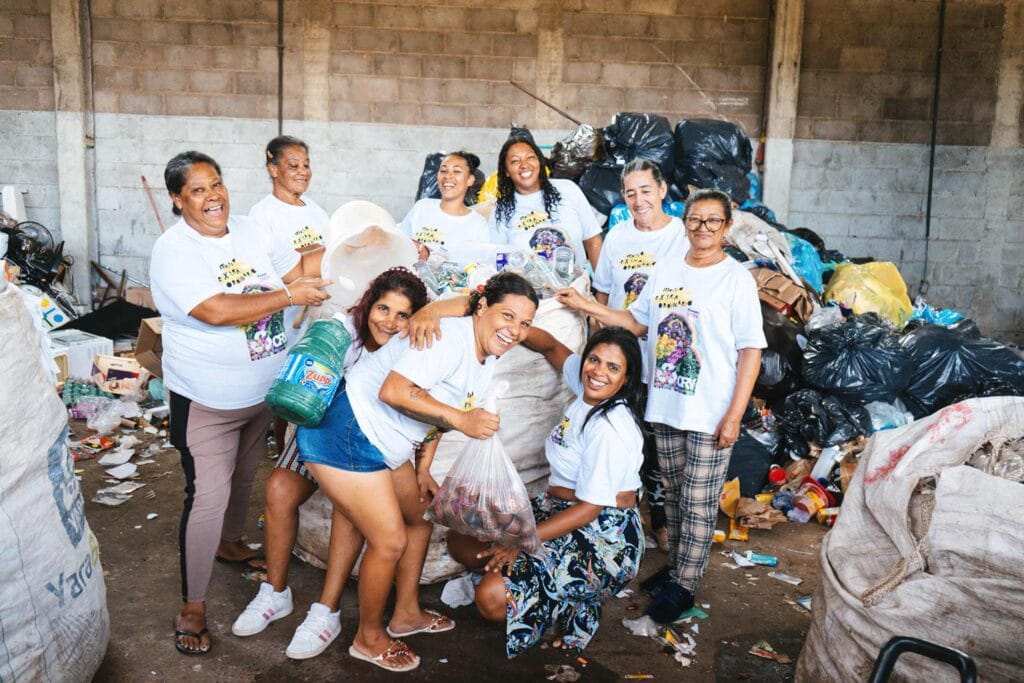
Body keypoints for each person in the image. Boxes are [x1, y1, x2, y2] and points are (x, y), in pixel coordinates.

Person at [296, 272, 539, 672]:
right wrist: (462, 419)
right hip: (348, 430)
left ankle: (405, 614)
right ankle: (368, 637)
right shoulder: (449, 338)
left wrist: (424, 466)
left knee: (419, 517)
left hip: (384, 442)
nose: (514, 330)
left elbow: (434, 408)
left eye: (524, 323)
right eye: (507, 316)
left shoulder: (484, 357)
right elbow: (394, 391)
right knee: (389, 541)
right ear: (481, 308)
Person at [150, 151, 331, 655]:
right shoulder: (174, 249)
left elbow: (295, 268)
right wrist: (288, 296)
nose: (213, 198)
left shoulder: (252, 229)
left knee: (245, 476)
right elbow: (214, 309)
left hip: (260, 393)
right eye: (198, 190)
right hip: (206, 397)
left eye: (217, 184)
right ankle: (194, 603)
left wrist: (332, 249)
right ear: (177, 199)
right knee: (205, 495)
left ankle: (230, 544)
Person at [556, 188, 765, 623]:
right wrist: (586, 305)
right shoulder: (667, 268)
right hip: (666, 405)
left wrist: (734, 414)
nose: (702, 229)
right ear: (684, 223)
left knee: (699, 500)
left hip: (711, 410)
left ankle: (685, 587)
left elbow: (750, 351)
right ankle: (675, 571)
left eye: (712, 221)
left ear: (726, 228)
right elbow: (637, 322)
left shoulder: (735, 278)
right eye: (695, 220)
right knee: (672, 495)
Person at [231, 268, 428, 661]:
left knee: (349, 507)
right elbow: (299, 384)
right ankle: (274, 591)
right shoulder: (343, 331)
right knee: (279, 490)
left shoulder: (413, 349)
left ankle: (327, 610)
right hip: (319, 425)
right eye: (382, 308)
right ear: (369, 303)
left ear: (415, 319)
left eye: (402, 315)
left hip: (365, 445)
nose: (388, 321)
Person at [447, 325, 646, 656]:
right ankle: (548, 587)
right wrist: (514, 329)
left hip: (604, 535)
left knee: (491, 600)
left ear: (625, 379)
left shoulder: (610, 427)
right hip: (557, 509)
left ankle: (573, 605)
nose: (598, 372)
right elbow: (552, 346)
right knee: (461, 539)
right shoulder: (587, 387)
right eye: (594, 360)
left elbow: (590, 509)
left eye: (613, 367)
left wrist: (520, 542)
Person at [592, 158, 688, 553]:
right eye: (630, 193)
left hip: (660, 360)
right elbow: (601, 293)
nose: (638, 200)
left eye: (645, 190)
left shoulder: (681, 236)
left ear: (663, 190)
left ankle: (662, 521)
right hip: (620, 360)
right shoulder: (617, 237)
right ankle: (612, 518)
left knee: (657, 447)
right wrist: (597, 346)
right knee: (616, 438)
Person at [247, 135, 330, 462]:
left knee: (308, 386)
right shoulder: (263, 215)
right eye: (293, 165)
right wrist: (309, 265)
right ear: (272, 168)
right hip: (284, 320)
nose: (303, 172)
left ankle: (305, 458)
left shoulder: (316, 210)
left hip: (316, 315)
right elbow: (266, 275)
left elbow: (331, 258)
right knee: (285, 391)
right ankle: (283, 456)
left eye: (306, 165)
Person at [488, 136, 602, 270]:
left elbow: (593, 240)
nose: (524, 164)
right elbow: (497, 260)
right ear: (506, 171)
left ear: (539, 162)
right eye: (515, 161)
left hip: (575, 288)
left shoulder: (568, 189)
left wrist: (601, 289)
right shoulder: (501, 210)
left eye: (530, 157)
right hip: (527, 290)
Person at [399, 151, 495, 266]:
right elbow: (398, 241)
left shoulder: (478, 224)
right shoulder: (422, 207)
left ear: (470, 180)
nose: (448, 176)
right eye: (443, 171)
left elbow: (480, 267)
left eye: (456, 171)